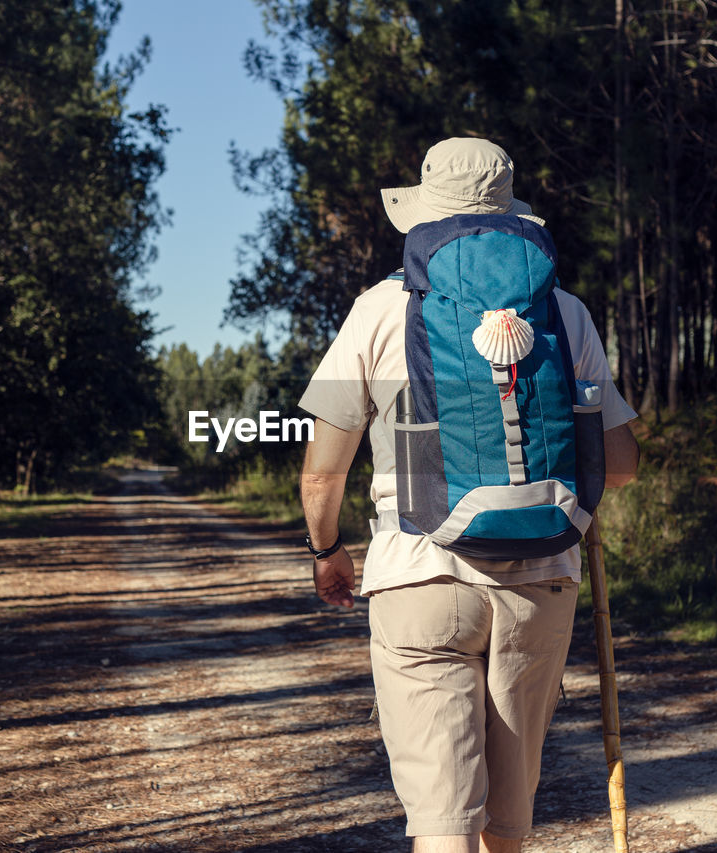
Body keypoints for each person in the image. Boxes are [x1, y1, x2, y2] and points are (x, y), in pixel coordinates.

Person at [298, 137, 640, 853]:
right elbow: (621, 464)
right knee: (507, 822)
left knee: (443, 818)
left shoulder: (378, 309)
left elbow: (323, 471)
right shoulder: (565, 312)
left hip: (419, 570)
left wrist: (328, 550)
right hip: (543, 574)